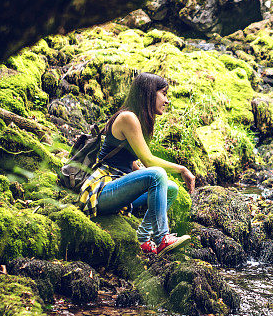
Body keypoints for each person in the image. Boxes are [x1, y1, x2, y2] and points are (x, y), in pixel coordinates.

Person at [79, 72, 195, 255]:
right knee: (158, 175)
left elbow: (130, 161)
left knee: (170, 188)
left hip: (119, 189)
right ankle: (162, 238)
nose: (167, 100)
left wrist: (137, 169)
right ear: (149, 92)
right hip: (101, 192)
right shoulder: (128, 117)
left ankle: (143, 238)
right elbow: (148, 161)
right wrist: (182, 169)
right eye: (163, 93)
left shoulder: (138, 120)